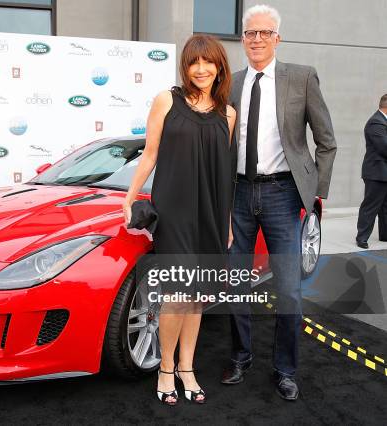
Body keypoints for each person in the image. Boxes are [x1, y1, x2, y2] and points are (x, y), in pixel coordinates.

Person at [223, 4, 337, 401]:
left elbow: (327, 140)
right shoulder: (231, 83)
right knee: (235, 285)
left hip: (283, 195)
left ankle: (285, 369)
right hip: (237, 193)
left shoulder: (301, 78)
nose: (257, 40)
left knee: (288, 291)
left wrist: (315, 190)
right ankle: (240, 356)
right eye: (251, 33)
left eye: (265, 33)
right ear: (243, 39)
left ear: (277, 38)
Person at [123, 34, 236, 406]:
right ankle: (166, 368)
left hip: (213, 214)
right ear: (185, 67)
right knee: (176, 296)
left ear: (219, 66)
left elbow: (226, 173)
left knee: (198, 297)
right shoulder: (166, 100)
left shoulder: (228, 113)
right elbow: (150, 154)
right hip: (175, 211)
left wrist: (229, 221)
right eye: (193, 62)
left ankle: (188, 367)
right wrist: (129, 197)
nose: (201, 69)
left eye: (208, 62)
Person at [356, 94, 387, 249]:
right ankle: (361, 237)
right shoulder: (376, 122)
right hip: (376, 172)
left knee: (385, 206)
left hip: (383, 172)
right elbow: (384, 147)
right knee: (371, 206)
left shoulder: (383, 122)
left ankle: (385, 235)